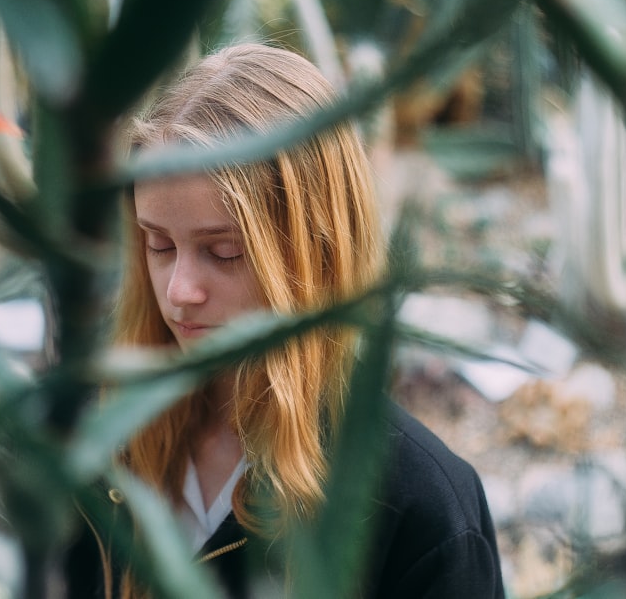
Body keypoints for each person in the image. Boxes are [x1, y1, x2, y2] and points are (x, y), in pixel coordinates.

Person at [67, 43, 504, 598]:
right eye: (158, 245)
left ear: (316, 253)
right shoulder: (105, 441)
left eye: (223, 252)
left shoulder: (420, 507)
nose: (179, 292)